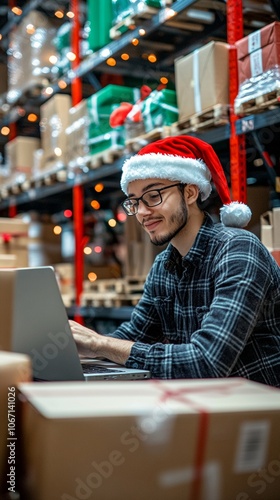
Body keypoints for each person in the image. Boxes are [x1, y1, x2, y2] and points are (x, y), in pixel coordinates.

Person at [70, 135, 280, 387]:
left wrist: (99, 344)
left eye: (153, 196)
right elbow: (133, 334)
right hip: (201, 402)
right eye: (135, 202)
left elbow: (207, 361)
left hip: (257, 409)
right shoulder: (163, 266)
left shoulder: (238, 250)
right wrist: (77, 343)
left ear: (190, 192)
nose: (142, 213)